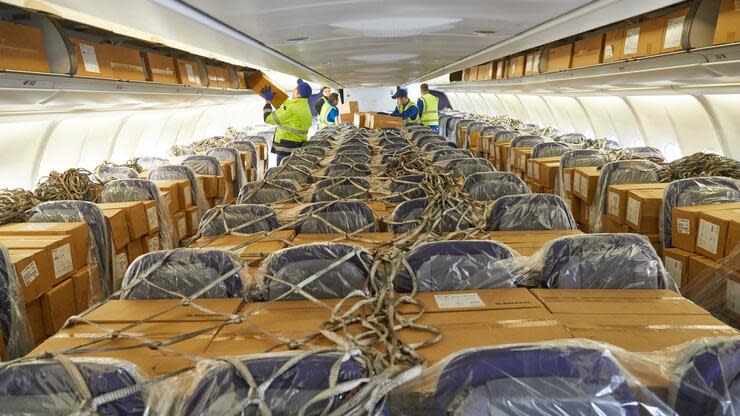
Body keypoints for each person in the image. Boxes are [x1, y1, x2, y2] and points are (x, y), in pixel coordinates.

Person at [261, 79, 313, 165]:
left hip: (286, 149)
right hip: (297, 147)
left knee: (281, 174)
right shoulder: (305, 107)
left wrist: (268, 102)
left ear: (298, 94)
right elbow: (289, 117)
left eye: (295, 90)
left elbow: (268, 118)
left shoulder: (292, 108)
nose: (293, 92)